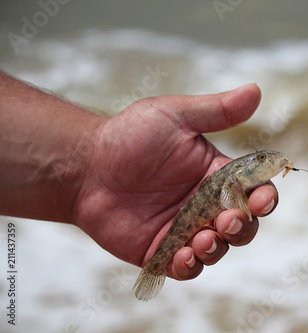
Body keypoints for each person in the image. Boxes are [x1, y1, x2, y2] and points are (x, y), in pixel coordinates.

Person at [0, 71, 279, 280]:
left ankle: (156, 266)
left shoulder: (235, 181)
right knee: (221, 230)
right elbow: (235, 204)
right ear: (247, 169)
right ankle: (155, 267)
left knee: (221, 232)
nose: (268, 162)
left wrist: (86, 171)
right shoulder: (233, 181)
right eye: (262, 159)